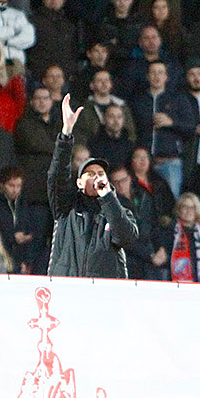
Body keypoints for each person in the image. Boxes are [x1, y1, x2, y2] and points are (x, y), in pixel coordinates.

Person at [47, 95, 140, 277]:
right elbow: (57, 175)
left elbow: (126, 236)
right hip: (68, 287)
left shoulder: (118, 207)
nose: (96, 176)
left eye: (100, 173)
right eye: (90, 173)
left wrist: (107, 198)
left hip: (104, 293)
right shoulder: (66, 207)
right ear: (79, 183)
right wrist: (66, 133)